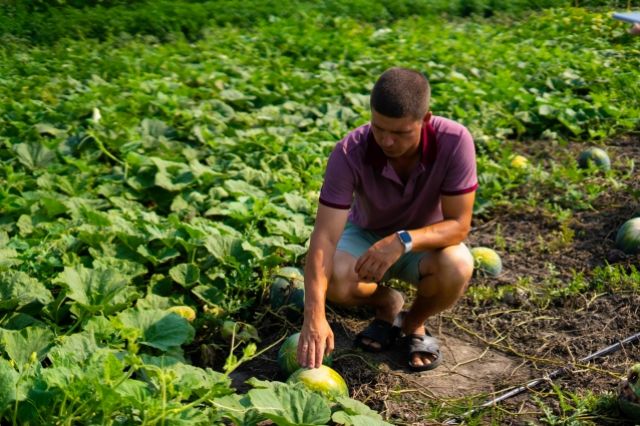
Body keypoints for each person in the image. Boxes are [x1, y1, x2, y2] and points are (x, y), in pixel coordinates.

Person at [297, 67, 477, 372]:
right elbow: (325, 237)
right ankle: (387, 304)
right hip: (366, 232)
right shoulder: (349, 151)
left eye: (400, 132)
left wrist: (403, 240)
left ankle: (413, 322)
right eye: (379, 128)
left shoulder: (455, 141)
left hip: (424, 239)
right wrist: (313, 313)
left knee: (458, 266)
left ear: (426, 120)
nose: (387, 141)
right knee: (336, 280)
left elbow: (459, 224)